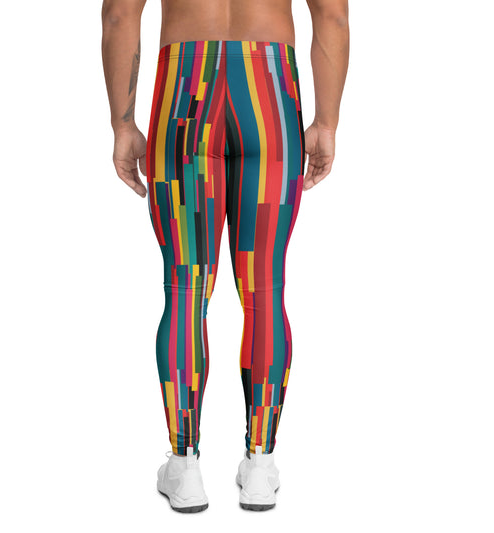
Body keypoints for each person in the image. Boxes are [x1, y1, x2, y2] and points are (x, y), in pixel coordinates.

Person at [101, 0, 349, 513]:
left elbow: (121, 14)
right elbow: (331, 15)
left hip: (186, 91)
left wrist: (123, 125)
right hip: (268, 93)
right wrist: (326, 121)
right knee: (264, 291)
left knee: (185, 290)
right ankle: (260, 465)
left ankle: (184, 467)